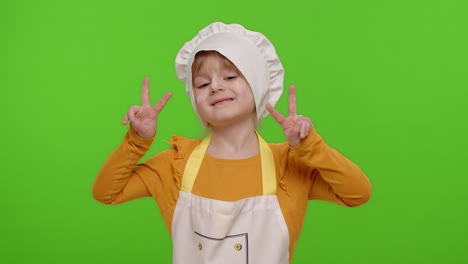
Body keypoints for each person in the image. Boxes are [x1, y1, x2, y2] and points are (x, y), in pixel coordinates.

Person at [92, 22, 372, 264]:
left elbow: (357, 193)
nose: (215, 86)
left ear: (259, 86)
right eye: (202, 84)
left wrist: (310, 146)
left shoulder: (288, 166)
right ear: (195, 101)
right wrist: (137, 141)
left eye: (230, 76)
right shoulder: (176, 165)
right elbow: (106, 193)